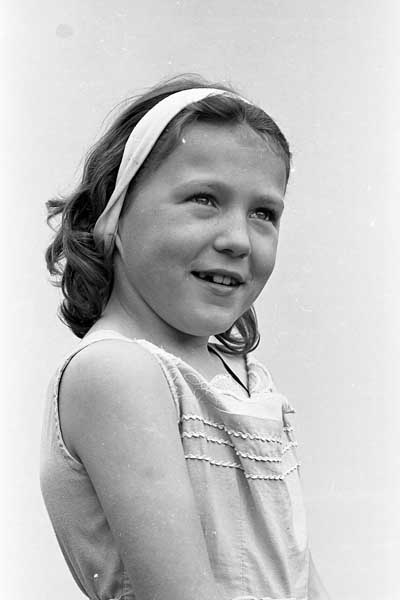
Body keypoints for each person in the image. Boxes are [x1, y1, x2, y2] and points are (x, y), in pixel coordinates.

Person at [40, 75, 330, 600]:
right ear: (114, 213)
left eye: (263, 213)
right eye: (204, 199)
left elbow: (297, 577)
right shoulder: (117, 370)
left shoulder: (239, 379)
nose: (238, 240)